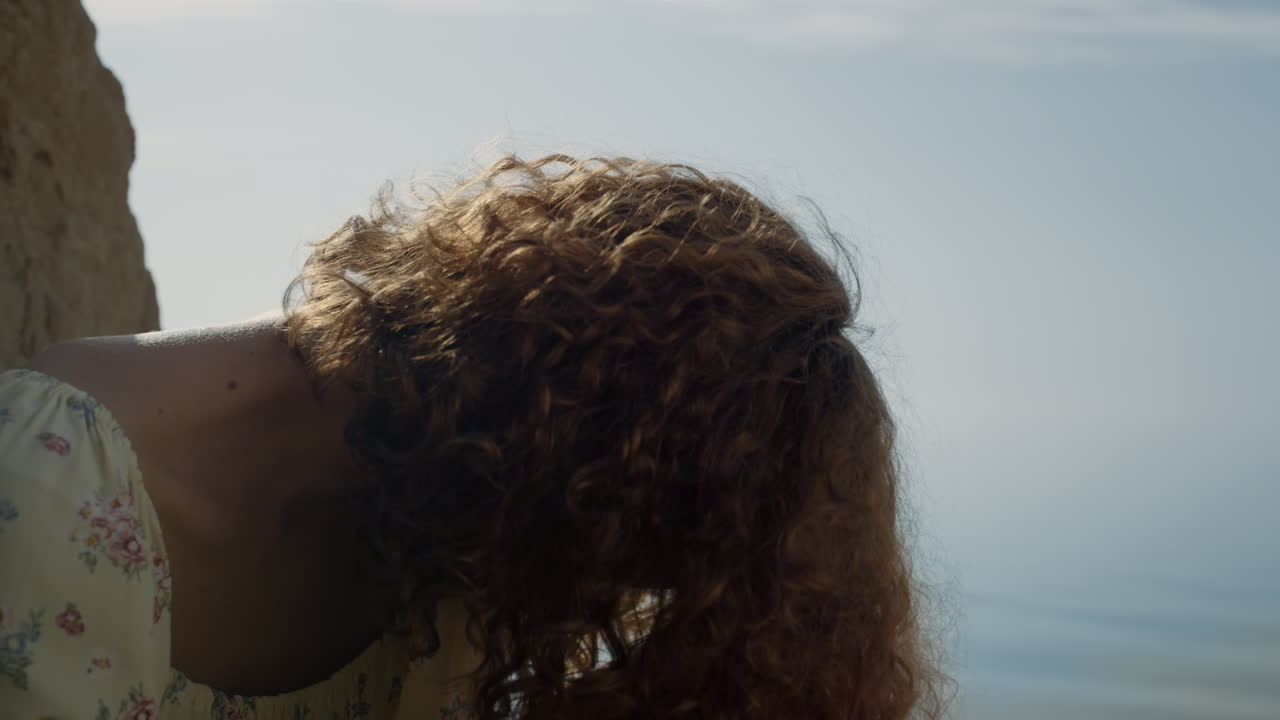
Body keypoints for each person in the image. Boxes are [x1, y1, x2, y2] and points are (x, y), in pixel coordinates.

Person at [0, 155, 943, 719]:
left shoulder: (446, 564)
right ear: (579, 466)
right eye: (637, 554)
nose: (596, 607)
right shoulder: (46, 487)